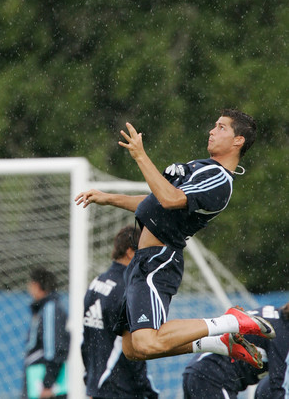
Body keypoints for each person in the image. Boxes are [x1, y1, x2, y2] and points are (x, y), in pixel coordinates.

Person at [75, 109, 276, 368]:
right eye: (214, 125)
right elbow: (155, 202)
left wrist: (140, 155)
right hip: (141, 261)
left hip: (159, 260)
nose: (212, 131)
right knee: (133, 349)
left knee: (148, 342)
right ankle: (219, 342)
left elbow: (169, 200)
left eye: (222, 127)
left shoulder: (219, 179)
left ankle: (231, 322)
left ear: (238, 141)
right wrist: (108, 198)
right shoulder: (204, 166)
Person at [82, 225, 159, 399]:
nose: (149, 258)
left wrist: (91, 379)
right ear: (131, 252)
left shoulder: (97, 282)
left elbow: (84, 338)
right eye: (145, 250)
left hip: (98, 386)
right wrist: (148, 391)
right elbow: (135, 349)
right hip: (122, 390)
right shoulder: (129, 289)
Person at [182, 303, 289, 398]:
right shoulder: (282, 334)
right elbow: (278, 389)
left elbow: (267, 389)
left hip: (199, 372)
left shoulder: (275, 318)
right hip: (214, 379)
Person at [21, 267, 70, 399]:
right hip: (38, 378)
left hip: (43, 383)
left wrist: (47, 383)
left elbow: (55, 349)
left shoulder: (50, 308)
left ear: (36, 285)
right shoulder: (45, 308)